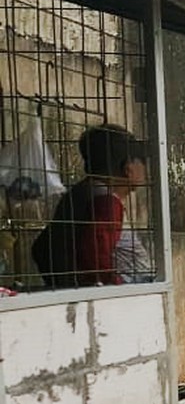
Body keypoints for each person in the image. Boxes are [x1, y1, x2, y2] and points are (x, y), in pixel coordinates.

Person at [31, 124, 151, 289]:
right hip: (124, 288)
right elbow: (94, 254)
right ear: (128, 168)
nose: (145, 169)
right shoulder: (106, 203)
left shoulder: (81, 193)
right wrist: (110, 284)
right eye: (142, 162)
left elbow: (41, 247)